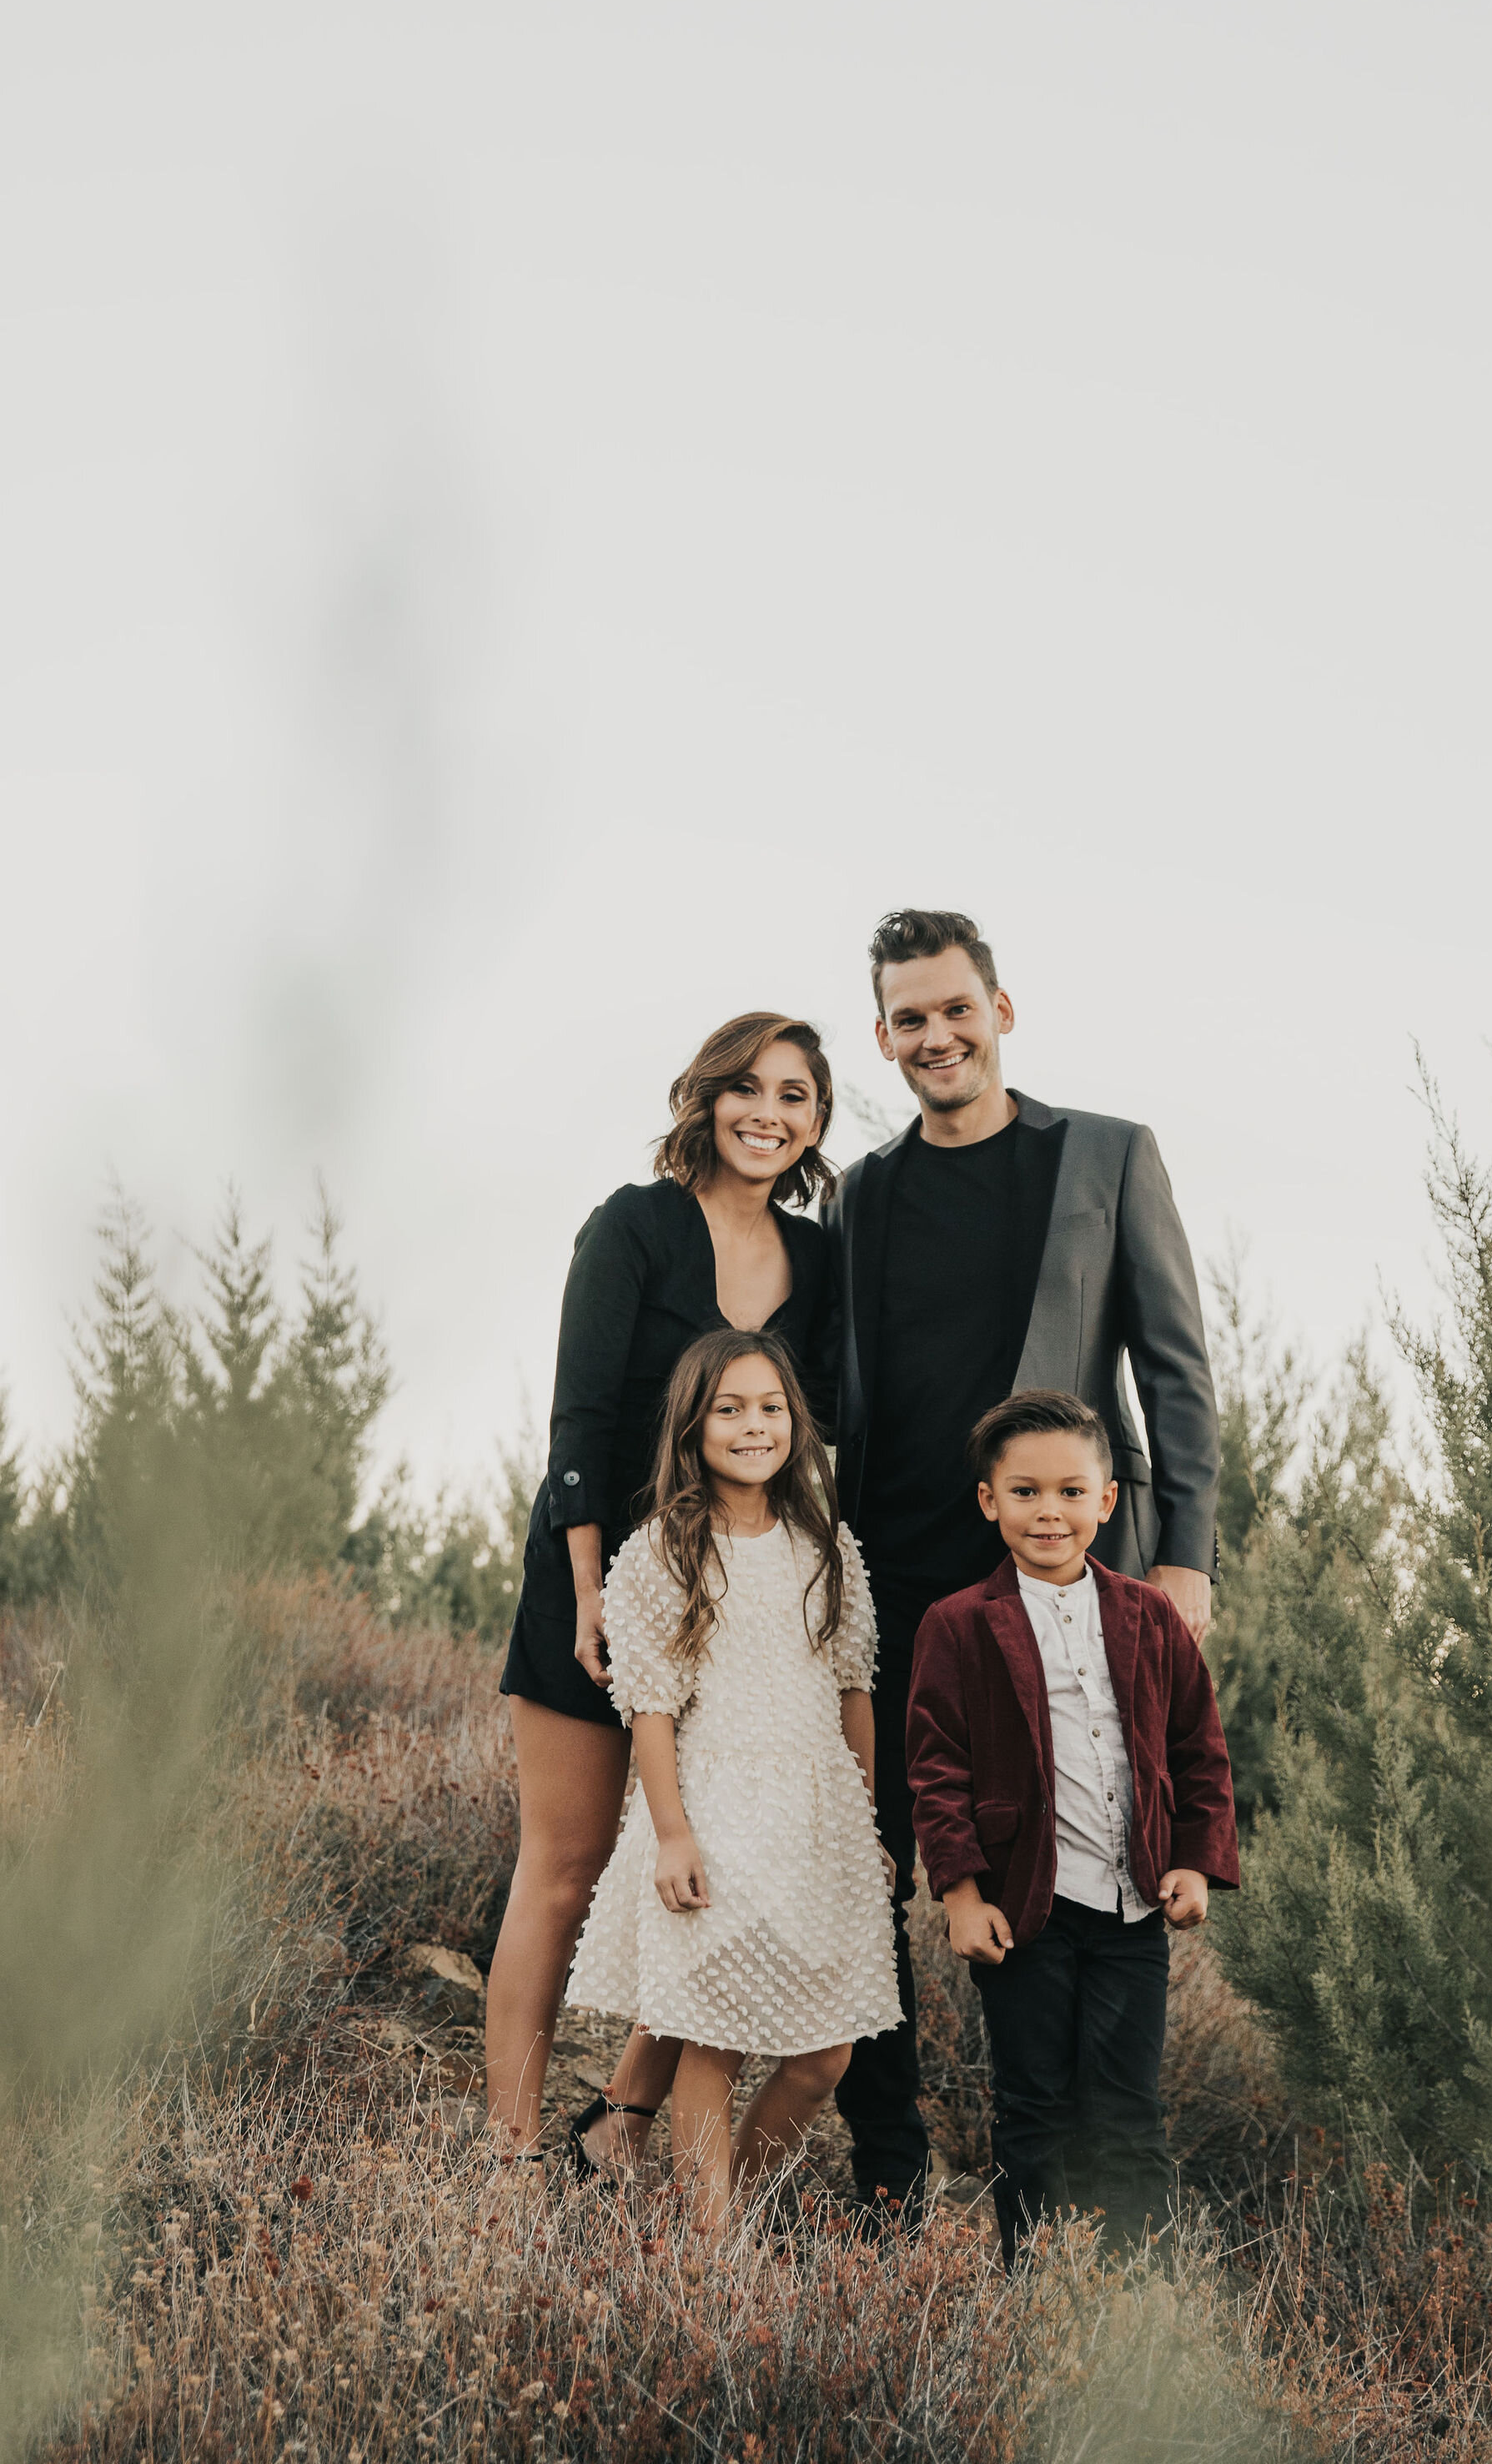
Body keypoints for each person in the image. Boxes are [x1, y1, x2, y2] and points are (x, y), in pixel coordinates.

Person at [829, 908, 1221, 2213]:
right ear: (883, 1036)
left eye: (957, 1008)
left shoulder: (1108, 1157)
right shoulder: (865, 1192)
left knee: (1086, 1868)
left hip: (1061, 1582)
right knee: (876, 1866)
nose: (936, 1035)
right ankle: (890, 2171)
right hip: (894, 1586)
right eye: (910, 1018)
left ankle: (1085, 2198)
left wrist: (1185, 1557)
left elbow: (1176, 1373)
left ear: (1000, 1010)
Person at [485, 1014, 839, 2165]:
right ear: (705, 1097)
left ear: (817, 1121)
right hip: (597, 1580)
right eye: (746, 1087)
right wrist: (592, 1593)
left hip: (733, 1610)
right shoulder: (633, 1226)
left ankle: (618, 2122)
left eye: (793, 1094)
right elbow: (579, 1421)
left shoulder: (818, 1261)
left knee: (717, 1870)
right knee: (567, 1868)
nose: (767, 1113)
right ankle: (510, 2156)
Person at [563, 1330, 900, 2232]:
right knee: (711, 2036)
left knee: (824, 2055)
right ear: (692, 1425)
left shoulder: (827, 1549)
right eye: (729, 1409)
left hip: (817, 1820)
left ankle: (734, 2209)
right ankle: (709, 2253)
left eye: (771, 1408)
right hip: (714, 1811)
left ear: (797, 1423)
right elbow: (650, 1707)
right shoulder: (659, 1552)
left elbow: (854, 1692)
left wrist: (867, 1825)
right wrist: (673, 1834)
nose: (754, 1427)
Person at [907, 1389, 1238, 2265]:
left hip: (1132, 1909)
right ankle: (1032, 2294)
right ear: (989, 1501)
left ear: (1107, 1499)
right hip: (1026, 1910)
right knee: (1035, 2107)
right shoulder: (956, 1625)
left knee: (1127, 2111)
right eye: (1024, 1492)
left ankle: (1140, 2299)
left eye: (1069, 1491)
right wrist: (961, 1895)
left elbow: (1198, 1748)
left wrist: (1195, 1863)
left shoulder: (1148, 1616)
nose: (1048, 1512)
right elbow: (935, 1771)